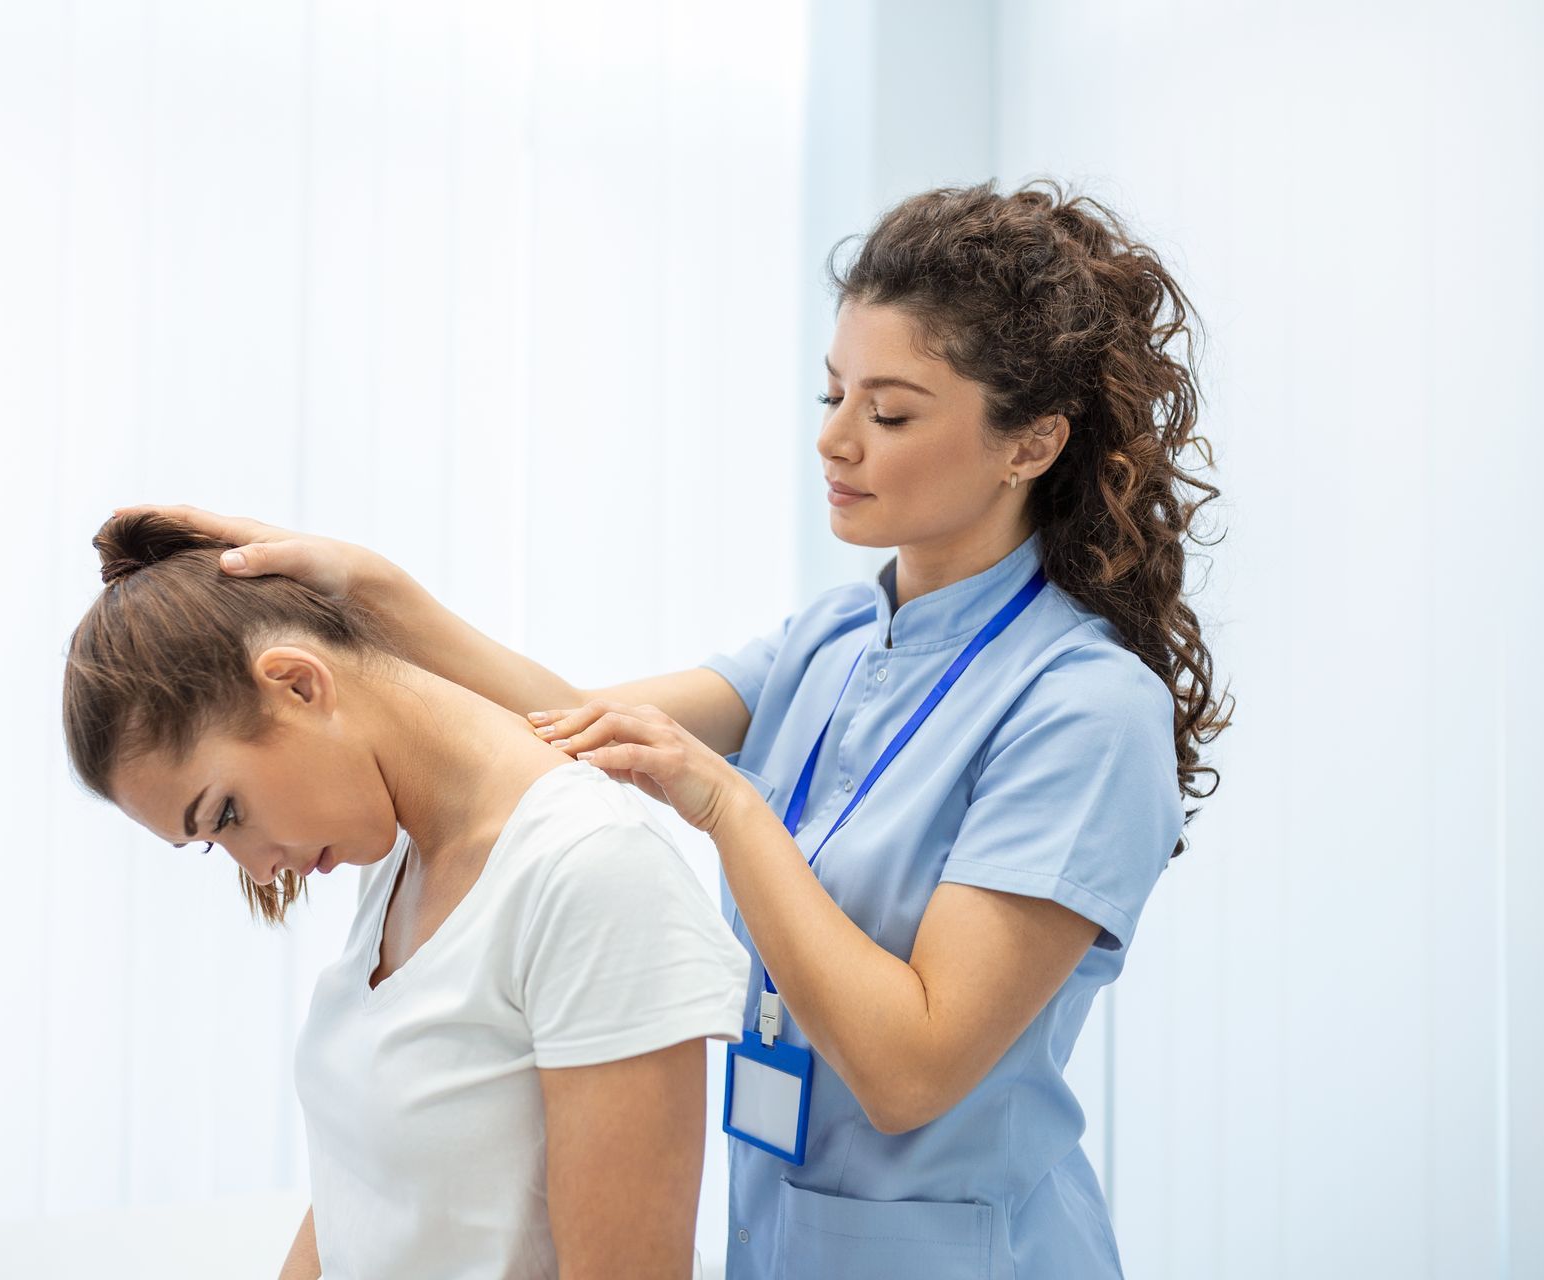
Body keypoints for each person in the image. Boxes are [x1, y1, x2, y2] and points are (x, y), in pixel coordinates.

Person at [121, 177, 1230, 1279]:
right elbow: (573, 728)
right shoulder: (840, 635)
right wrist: (371, 594)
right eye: (831, 395)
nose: (836, 442)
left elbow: (911, 1068)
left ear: (1031, 442)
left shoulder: (1086, 708)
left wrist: (722, 801)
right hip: (778, 1244)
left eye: (889, 412)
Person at [60, 512, 750, 1280]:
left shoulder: (590, 871)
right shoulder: (399, 856)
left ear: (297, 683)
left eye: (226, 813)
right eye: (212, 844)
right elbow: (371, 1188)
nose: (256, 870)